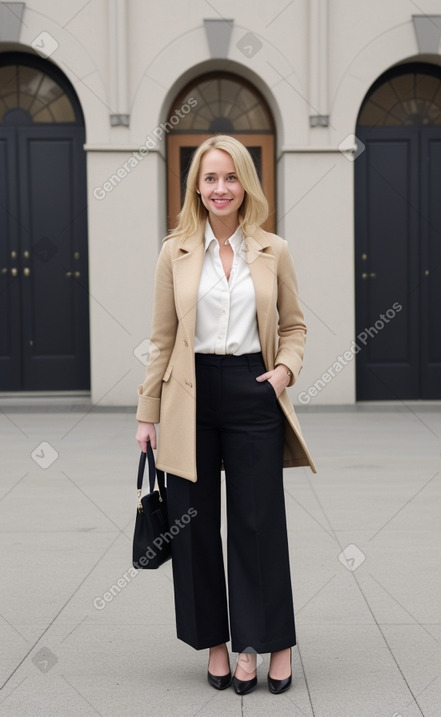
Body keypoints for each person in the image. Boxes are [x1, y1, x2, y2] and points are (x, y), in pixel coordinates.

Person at [135, 134, 316, 696]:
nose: (220, 188)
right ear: (196, 186)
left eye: (230, 177)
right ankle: (217, 644)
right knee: (193, 529)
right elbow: (162, 339)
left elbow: (294, 326)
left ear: (246, 185)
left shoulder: (273, 250)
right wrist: (148, 414)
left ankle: (269, 644)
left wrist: (284, 371)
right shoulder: (175, 252)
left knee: (259, 524)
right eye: (209, 178)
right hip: (189, 397)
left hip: (251, 390)